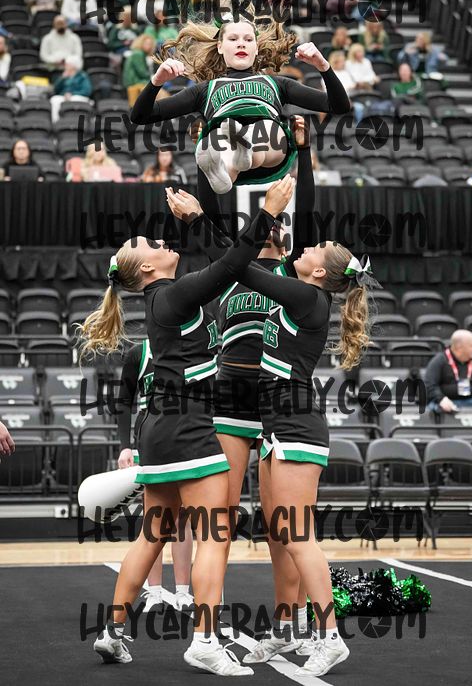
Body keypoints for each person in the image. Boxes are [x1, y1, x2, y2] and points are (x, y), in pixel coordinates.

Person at [80, 176, 293, 674]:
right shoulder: (172, 297)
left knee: (152, 534)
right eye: (152, 243)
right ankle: (204, 640)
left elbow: (223, 266)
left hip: (161, 429)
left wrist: (201, 214)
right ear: (147, 268)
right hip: (187, 427)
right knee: (214, 532)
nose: (162, 240)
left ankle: (112, 632)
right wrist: (267, 210)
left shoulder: (167, 297)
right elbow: (232, 265)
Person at [173, 183, 380, 677]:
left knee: (297, 533)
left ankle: (330, 636)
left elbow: (238, 267)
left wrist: (200, 220)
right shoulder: (303, 291)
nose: (305, 246)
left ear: (319, 272)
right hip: (276, 425)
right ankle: (287, 630)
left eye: (315, 248)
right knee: (278, 533)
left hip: (295, 424)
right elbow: (239, 263)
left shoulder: (307, 297)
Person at [168, 117, 322, 660]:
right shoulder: (232, 266)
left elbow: (304, 201)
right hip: (232, 399)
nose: (275, 229)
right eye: (266, 224)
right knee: (221, 519)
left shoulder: (295, 275)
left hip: (279, 405)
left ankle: (288, 624)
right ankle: (207, 630)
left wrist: (303, 150)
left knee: (283, 526)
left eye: (280, 224)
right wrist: (205, 152)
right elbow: (213, 200)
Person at [131, 10, 351, 194]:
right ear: (219, 46)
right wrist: (157, 81)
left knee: (265, 127)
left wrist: (323, 66)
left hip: (269, 148)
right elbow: (140, 116)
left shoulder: (277, 83)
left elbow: (339, 106)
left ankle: (244, 152)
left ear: (256, 47)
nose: (241, 44)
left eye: (248, 39)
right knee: (218, 138)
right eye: (233, 39)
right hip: (227, 146)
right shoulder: (205, 90)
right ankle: (226, 169)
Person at [116, 339, 194, 612]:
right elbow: (124, 401)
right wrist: (124, 445)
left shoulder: (189, 346)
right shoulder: (139, 353)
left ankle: (183, 592)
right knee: (155, 519)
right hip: (149, 440)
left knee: (183, 518)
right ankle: (155, 591)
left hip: (184, 437)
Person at [425, 330, 472, 412]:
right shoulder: (439, 361)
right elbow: (429, 385)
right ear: (459, 347)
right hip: (448, 401)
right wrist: (440, 399)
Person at [50, 56, 92, 123]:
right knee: (54, 99)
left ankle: (76, 121)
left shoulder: (82, 76)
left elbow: (87, 91)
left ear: (73, 66)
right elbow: (56, 90)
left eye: (67, 64)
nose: (65, 66)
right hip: (64, 96)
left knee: (75, 98)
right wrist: (62, 78)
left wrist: (72, 94)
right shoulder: (64, 76)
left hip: (78, 96)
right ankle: (56, 122)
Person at [123, 34, 157, 106]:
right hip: (134, 82)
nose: (149, 46)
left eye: (150, 44)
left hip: (136, 81)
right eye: (147, 44)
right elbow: (142, 72)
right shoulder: (138, 54)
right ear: (141, 43)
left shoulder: (139, 53)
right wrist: (153, 77)